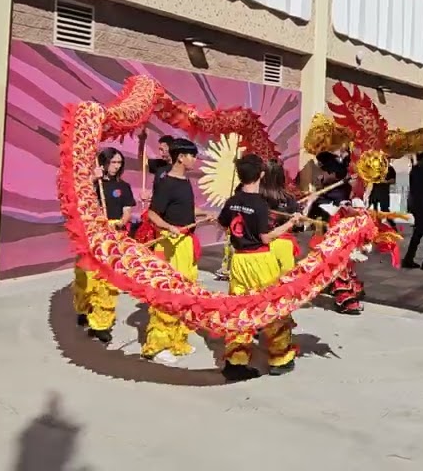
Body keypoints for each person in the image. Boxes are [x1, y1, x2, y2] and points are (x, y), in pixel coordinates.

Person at [219, 154, 304, 381]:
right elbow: (266, 238)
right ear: (261, 174)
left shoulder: (232, 201)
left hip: (238, 261)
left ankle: (236, 361)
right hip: (259, 260)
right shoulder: (259, 205)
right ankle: (280, 358)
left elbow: (223, 222)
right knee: (272, 308)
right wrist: (290, 223)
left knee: (240, 310)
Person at [141, 138, 207, 362]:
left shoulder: (185, 181)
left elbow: (185, 208)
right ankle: (158, 345)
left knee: (184, 292)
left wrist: (205, 214)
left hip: (185, 244)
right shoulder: (167, 182)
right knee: (167, 293)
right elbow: (152, 214)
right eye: (192, 156)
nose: (195, 160)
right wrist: (169, 227)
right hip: (169, 245)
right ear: (181, 157)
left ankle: (177, 340)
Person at [73, 147, 136, 344]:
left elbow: (127, 211)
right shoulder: (93, 183)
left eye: (119, 163)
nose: (116, 166)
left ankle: (101, 324)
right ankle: (84, 308)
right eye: (112, 162)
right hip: (92, 235)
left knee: (108, 282)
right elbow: (79, 198)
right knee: (87, 278)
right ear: (103, 163)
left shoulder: (124, 187)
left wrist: (120, 222)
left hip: (113, 236)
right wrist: (92, 179)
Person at [308, 152, 363, 314]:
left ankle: (346, 300)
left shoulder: (337, 193)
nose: (319, 176)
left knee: (338, 264)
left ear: (332, 173)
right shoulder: (331, 191)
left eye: (323, 172)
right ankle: (348, 290)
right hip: (334, 234)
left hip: (336, 235)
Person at [259, 159, 304, 275]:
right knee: (283, 286)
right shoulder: (289, 198)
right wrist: (297, 218)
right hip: (283, 245)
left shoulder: (253, 197)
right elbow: (299, 227)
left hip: (258, 247)